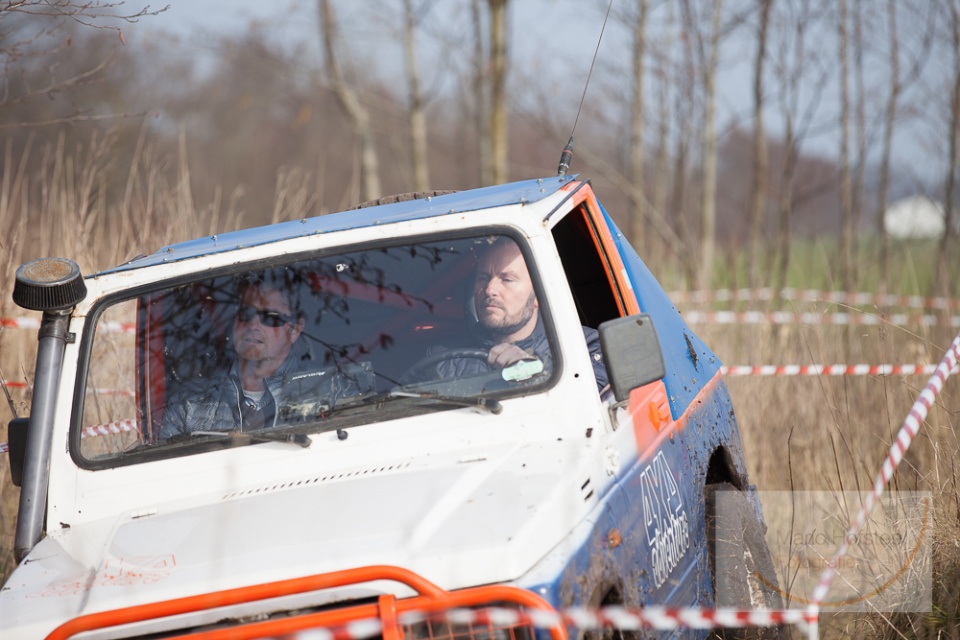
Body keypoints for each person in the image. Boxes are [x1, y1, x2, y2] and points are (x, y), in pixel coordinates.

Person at [160, 270, 369, 439]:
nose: (253, 325)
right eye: (245, 313)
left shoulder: (335, 390)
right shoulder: (188, 405)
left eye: (271, 317)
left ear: (295, 329)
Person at [426, 236, 608, 391]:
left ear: (539, 294)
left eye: (507, 279)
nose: (489, 289)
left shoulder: (584, 348)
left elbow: (591, 403)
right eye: (483, 278)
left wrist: (535, 375)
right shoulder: (443, 359)